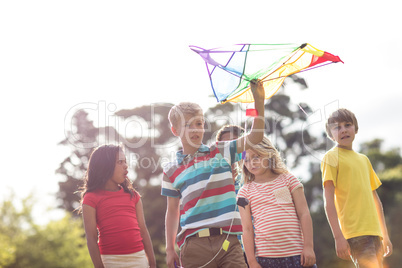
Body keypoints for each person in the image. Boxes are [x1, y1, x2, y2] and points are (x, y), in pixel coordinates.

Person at [162, 80, 265, 268]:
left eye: (199, 123)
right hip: (193, 247)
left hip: (229, 243)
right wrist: (170, 248)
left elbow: (255, 137)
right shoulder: (170, 170)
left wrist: (258, 102)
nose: (196, 129)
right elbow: (172, 211)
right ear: (175, 130)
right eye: (189, 125)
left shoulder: (220, 151)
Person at [321, 108, 392, 267]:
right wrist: (338, 237)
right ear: (331, 135)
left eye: (347, 125)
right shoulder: (330, 158)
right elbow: (328, 201)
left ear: (356, 128)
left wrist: (385, 235)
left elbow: (376, 202)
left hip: (375, 233)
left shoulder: (364, 160)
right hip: (355, 234)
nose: (343, 130)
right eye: (337, 127)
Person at [238, 136, 316, 268]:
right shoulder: (243, 193)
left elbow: (304, 213)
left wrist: (308, 247)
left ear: (268, 154)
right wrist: (251, 261)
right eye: (246, 160)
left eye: (256, 157)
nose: (251, 163)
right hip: (266, 260)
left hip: (297, 255)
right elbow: (246, 229)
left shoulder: (289, 180)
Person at [79, 144, 156, 268]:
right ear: (105, 166)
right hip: (110, 261)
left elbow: (143, 230)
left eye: (125, 161)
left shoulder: (133, 196)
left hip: (139, 259)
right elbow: (91, 238)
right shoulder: (91, 198)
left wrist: (152, 264)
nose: (126, 165)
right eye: (120, 162)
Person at [216, 124, 248, 265]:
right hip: (227, 250)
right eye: (226, 144)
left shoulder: (254, 178)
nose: (231, 147)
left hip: (256, 247)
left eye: (235, 142)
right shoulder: (214, 180)